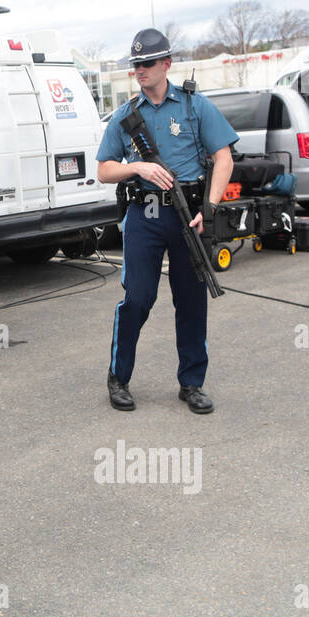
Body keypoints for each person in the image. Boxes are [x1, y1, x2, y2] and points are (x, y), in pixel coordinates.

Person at [97, 29, 237, 415]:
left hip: (188, 213)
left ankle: (191, 383)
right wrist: (137, 166)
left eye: (147, 63)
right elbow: (104, 169)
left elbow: (224, 158)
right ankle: (118, 377)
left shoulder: (194, 106)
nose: (139, 70)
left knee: (191, 301)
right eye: (135, 64)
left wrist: (208, 209)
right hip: (146, 214)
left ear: (166, 64)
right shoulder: (127, 116)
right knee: (138, 298)